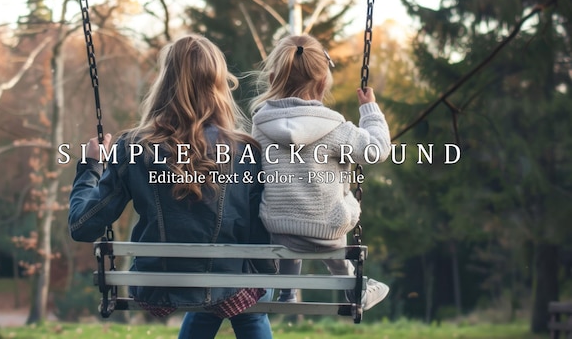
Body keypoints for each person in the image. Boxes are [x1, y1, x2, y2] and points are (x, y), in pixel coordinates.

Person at [68, 34, 276, 339]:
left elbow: (82, 226)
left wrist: (91, 166)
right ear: (218, 85)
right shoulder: (246, 151)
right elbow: (259, 240)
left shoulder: (132, 147)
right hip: (226, 285)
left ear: (164, 83)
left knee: (217, 287)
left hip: (158, 286)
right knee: (238, 288)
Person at [249, 34, 391, 311]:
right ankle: (356, 292)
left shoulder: (260, 124)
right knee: (327, 229)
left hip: (277, 227)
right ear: (324, 82)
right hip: (327, 231)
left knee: (292, 203)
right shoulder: (336, 127)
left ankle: (287, 292)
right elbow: (378, 150)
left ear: (273, 78)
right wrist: (369, 110)